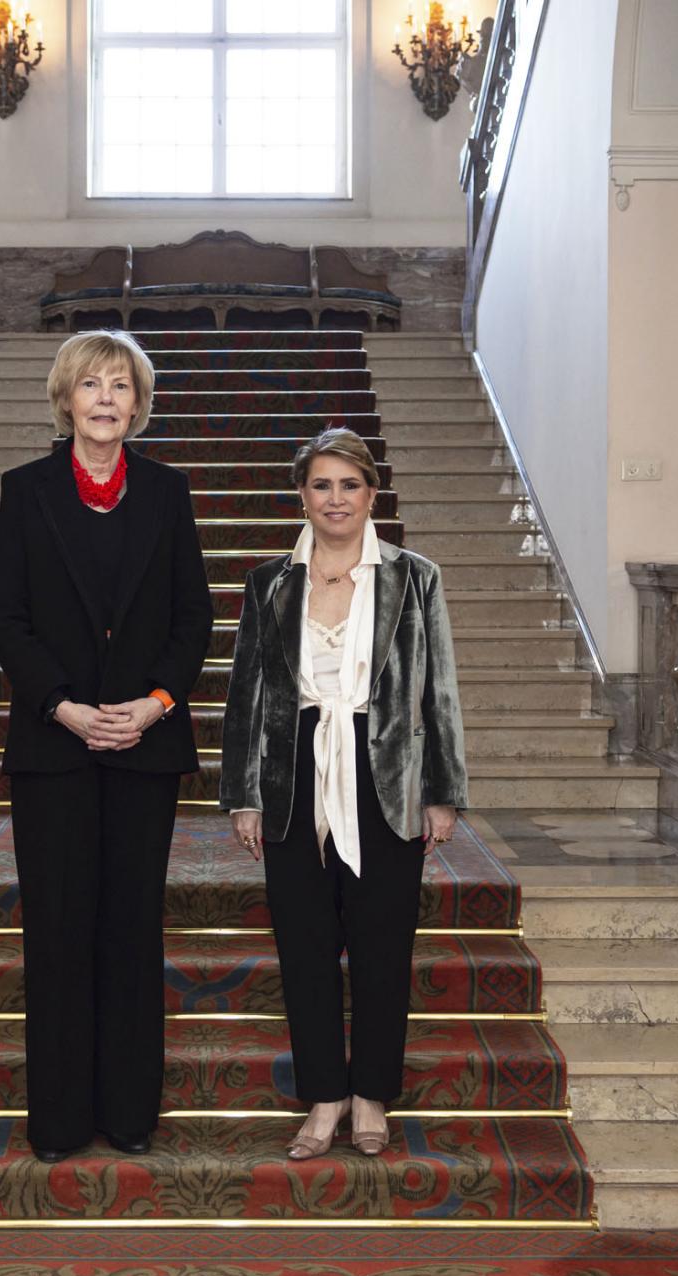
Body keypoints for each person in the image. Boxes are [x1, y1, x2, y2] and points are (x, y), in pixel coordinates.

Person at [0, 329, 213, 1164]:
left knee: (129, 926)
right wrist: (66, 707)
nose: (107, 398)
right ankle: (59, 1120)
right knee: (57, 927)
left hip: (144, 745)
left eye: (121, 384)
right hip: (56, 748)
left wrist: (154, 704)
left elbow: (195, 618)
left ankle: (127, 1115)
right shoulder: (25, 490)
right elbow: (5, 620)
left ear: (138, 404)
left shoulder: (168, 491)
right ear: (67, 399)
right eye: (92, 384)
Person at [220, 426, 468, 1160]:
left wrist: (442, 791)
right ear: (303, 495)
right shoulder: (269, 581)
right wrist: (243, 794)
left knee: (382, 947)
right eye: (322, 485)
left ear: (372, 493)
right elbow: (246, 694)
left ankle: (371, 1098)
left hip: (385, 777)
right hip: (293, 776)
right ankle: (325, 1099)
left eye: (350, 485)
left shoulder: (413, 576)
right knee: (304, 946)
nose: (336, 499)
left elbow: (440, 693)